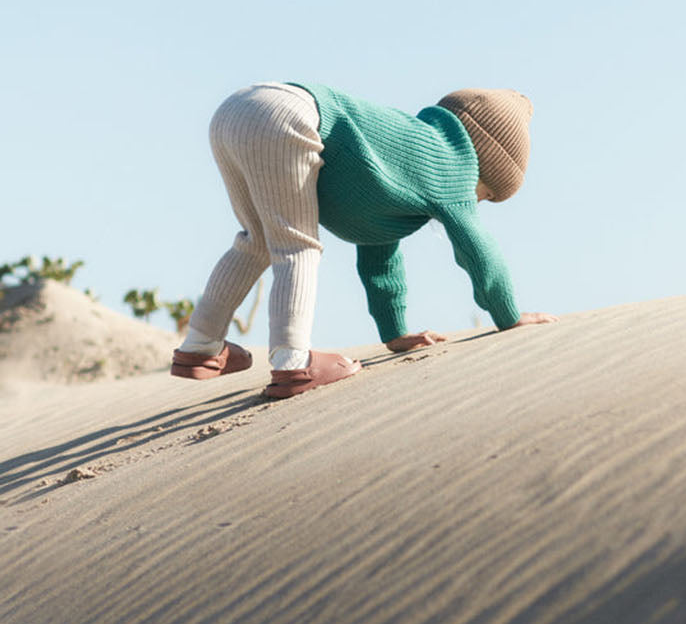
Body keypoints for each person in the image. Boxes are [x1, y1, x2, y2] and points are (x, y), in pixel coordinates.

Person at [170, 81, 557, 399]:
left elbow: (378, 249)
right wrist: (509, 315)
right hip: (290, 114)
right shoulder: (451, 162)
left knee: (256, 241)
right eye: (487, 195)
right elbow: (477, 248)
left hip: (236, 111)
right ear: (483, 167)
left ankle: (200, 348)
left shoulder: (399, 160)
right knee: (297, 245)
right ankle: (293, 364)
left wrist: (394, 331)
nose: (475, 204)